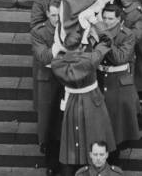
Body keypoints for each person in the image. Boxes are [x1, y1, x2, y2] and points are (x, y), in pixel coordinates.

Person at [50, 37, 116, 176]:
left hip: (71, 101)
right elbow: (107, 40)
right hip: (91, 100)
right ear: (81, 46)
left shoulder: (57, 62)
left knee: (71, 141)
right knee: (95, 136)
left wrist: (60, 49)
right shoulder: (90, 59)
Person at [95, 3, 140, 163]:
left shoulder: (127, 35)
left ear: (120, 21)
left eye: (111, 19)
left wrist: (105, 37)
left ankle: (113, 162)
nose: (107, 22)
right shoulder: (96, 32)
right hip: (100, 80)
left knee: (116, 127)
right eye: (104, 18)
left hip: (118, 84)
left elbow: (120, 58)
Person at [31, 3, 63, 176]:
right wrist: (59, 47)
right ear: (47, 14)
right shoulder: (39, 32)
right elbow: (43, 56)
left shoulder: (69, 29)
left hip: (65, 79)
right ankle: (47, 153)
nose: (56, 19)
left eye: (59, 15)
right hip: (48, 79)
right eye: (53, 15)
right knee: (47, 117)